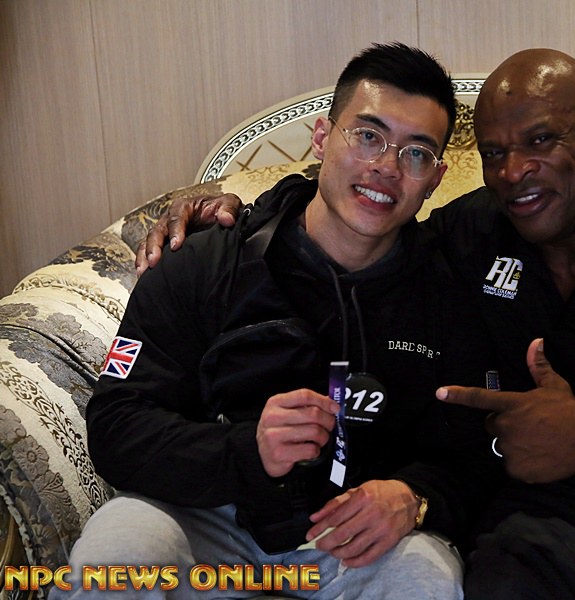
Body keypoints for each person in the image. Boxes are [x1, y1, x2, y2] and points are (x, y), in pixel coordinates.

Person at [139, 49, 575, 599]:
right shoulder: (474, 233)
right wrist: (225, 214)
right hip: (556, 517)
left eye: (541, 141)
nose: (513, 173)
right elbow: (356, 220)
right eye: (496, 153)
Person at [56, 43, 503, 600]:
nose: (386, 167)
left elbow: (480, 453)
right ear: (322, 137)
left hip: (358, 533)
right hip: (201, 514)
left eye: (415, 153)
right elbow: (117, 426)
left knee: (425, 579)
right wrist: (247, 449)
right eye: (367, 136)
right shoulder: (206, 262)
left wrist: (415, 496)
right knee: (116, 558)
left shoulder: (451, 291)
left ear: (435, 177)